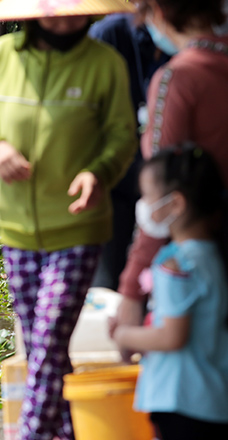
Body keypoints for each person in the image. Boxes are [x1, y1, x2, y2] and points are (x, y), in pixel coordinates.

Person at [0, 0, 137, 438]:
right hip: (16, 227)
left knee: (47, 340)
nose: (66, 19)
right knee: (45, 346)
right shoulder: (1, 57)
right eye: (56, 10)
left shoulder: (104, 63)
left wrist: (98, 172)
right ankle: (65, 431)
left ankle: (31, 433)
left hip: (79, 227)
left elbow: (121, 134)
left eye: (76, 11)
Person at [116, 0, 228, 337]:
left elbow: (160, 197)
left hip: (205, 255)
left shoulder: (177, 78)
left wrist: (131, 289)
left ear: (159, 13)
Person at [110, 146, 228, 439]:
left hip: (180, 398)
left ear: (175, 203)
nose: (143, 205)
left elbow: (172, 336)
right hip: (213, 398)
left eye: (147, 196)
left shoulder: (176, 264)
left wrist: (123, 335)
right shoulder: (212, 256)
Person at [88, 13, 170, 290]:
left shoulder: (189, 42)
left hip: (172, 184)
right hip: (114, 176)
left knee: (168, 283)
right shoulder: (109, 35)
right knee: (107, 285)